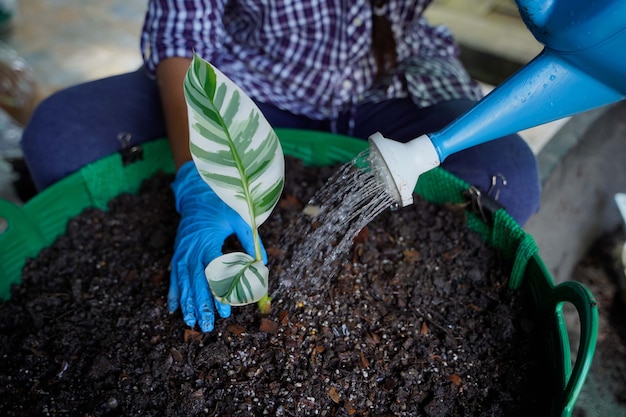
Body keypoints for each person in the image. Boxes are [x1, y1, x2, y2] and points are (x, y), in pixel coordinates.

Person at [21, 0, 541, 332]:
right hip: (256, 83)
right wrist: (199, 175)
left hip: (392, 81)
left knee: (504, 182)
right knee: (61, 140)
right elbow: (182, 37)